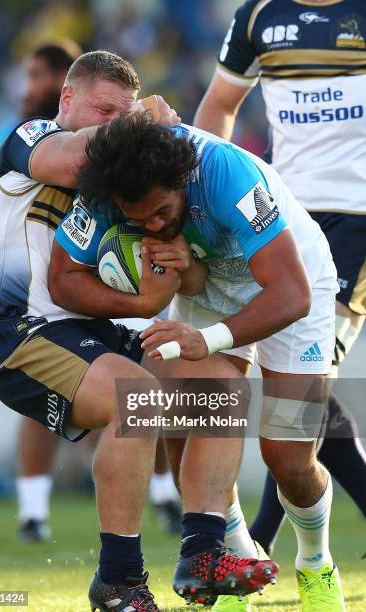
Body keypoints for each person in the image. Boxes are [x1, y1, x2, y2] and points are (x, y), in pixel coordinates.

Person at [0, 51, 275, 610]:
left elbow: (172, 279)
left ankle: (203, 552)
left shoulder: (128, 186)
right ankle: (118, 578)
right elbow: (72, 162)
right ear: (67, 100)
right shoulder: (30, 138)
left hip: (95, 331)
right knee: (133, 397)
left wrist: (171, 271)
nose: (112, 123)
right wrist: (139, 124)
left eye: (123, 114)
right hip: (23, 332)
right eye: (102, 109)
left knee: (219, 386)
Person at [68, 111, 346, 611]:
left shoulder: (225, 173)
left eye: (161, 212)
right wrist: (179, 279)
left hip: (294, 289)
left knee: (289, 461)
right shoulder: (118, 182)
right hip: (211, 290)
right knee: (196, 429)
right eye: (140, 220)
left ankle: (315, 562)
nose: (152, 225)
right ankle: (231, 563)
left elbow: (292, 293)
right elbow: (62, 275)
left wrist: (211, 338)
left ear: (180, 180)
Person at [194, 0, 366, 607]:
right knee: (232, 406)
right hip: (272, 221)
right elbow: (219, 105)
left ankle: (270, 553)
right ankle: (249, 556)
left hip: (355, 226)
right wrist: (203, 211)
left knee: (300, 408)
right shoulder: (258, 15)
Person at [0, 40, 84, 541]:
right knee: (57, 397)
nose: (27, 89)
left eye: (36, 78)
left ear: (64, 85)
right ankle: (33, 511)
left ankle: (164, 498)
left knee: (131, 394)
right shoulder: (19, 136)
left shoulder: (98, 137)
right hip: (32, 292)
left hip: (96, 278)